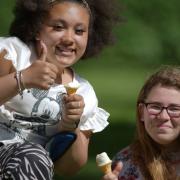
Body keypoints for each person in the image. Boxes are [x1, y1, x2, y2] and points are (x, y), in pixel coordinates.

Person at [0, 0, 121, 179]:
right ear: (36, 26)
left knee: (34, 157)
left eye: (79, 31)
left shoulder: (84, 93)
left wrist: (71, 126)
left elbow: (68, 168)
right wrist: (23, 78)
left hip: (29, 167)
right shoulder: (13, 54)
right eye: (58, 27)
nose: (68, 38)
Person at [102, 66, 180, 180]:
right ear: (141, 112)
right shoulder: (124, 163)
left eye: (174, 109)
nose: (163, 116)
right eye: (155, 107)